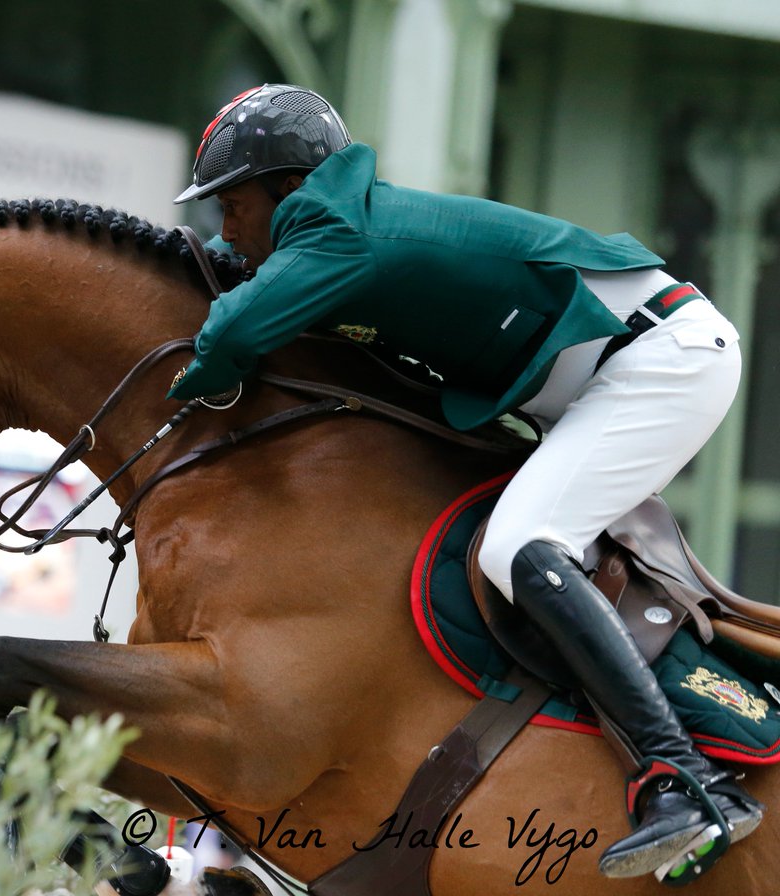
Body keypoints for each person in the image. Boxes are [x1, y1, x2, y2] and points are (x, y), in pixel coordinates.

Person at [167, 83, 762, 881]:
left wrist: (174, 389)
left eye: (231, 203)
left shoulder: (337, 230)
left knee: (518, 544)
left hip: (657, 362)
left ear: (287, 189)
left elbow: (231, 333)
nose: (224, 225)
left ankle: (690, 781)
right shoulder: (333, 228)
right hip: (604, 378)